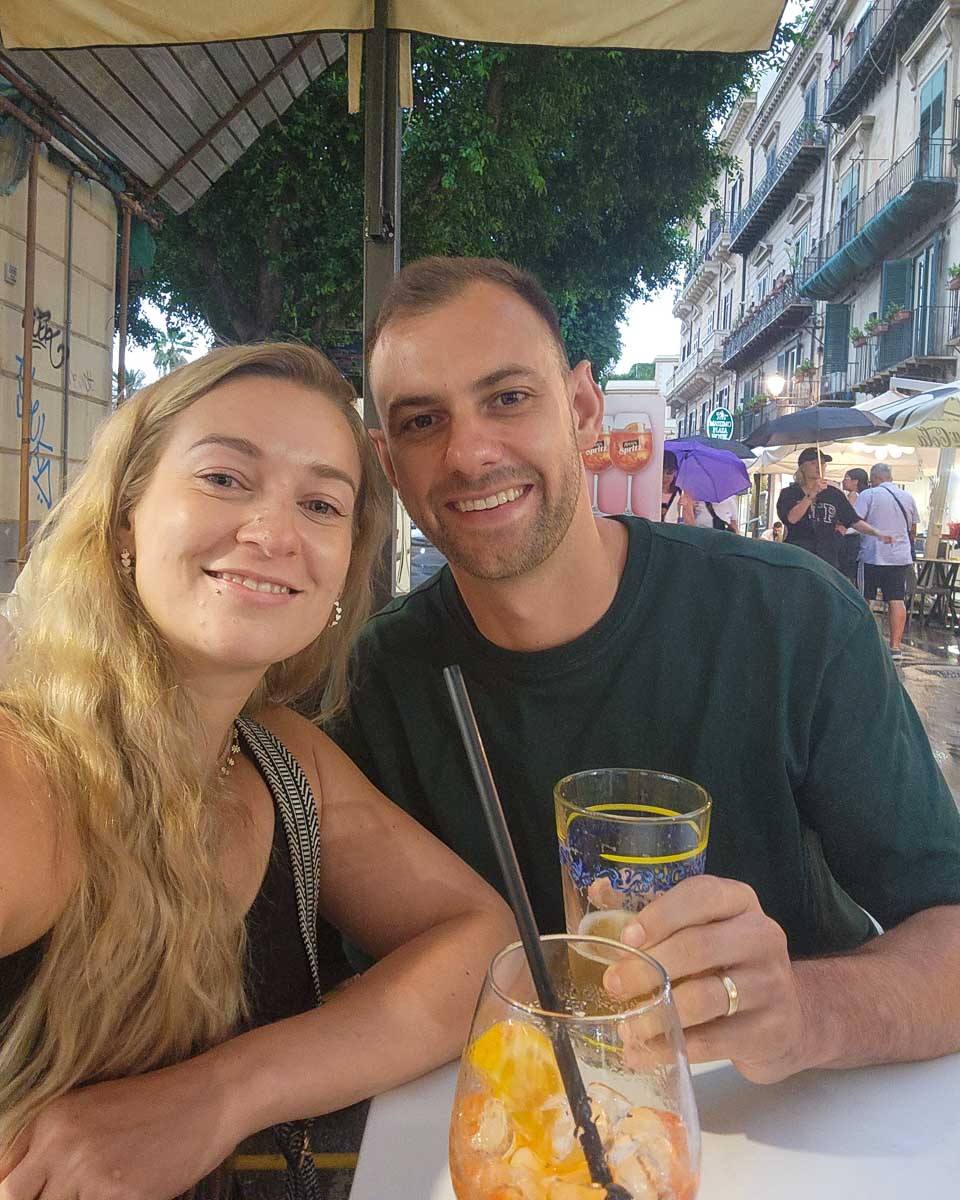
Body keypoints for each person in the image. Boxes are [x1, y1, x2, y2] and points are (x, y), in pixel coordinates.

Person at [331, 255, 960, 1088]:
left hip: (793, 1113)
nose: (469, 452)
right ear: (388, 463)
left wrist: (805, 1013)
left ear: (583, 408)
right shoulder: (378, 681)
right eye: (421, 422)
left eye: (508, 398)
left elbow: (947, 931)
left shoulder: (789, 617)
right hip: (522, 1122)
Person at [0, 343, 515, 1199]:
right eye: (224, 479)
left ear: (345, 569)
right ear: (125, 518)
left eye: (320, 504)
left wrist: (222, 1093)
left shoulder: (281, 758)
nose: (274, 533)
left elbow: (483, 942)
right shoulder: (27, 779)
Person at [776, 449, 892, 569]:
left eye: (822, 463)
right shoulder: (789, 493)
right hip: (799, 556)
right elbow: (791, 519)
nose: (819, 467)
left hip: (826, 558)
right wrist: (811, 495)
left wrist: (877, 533)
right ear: (802, 467)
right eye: (813, 463)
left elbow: (853, 520)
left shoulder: (833, 494)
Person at [855, 462, 920, 658]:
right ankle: (895, 647)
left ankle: (862, 642)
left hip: (872, 554)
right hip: (899, 557)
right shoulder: (907, 497)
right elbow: (913, 529)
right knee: (896, 599)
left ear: (875, 478)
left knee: (864, 598)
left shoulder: (868, 495)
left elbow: (856, 520)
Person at [836, 467, 869, 586]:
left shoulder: (854, 495)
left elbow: (845, 516)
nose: (843, 481)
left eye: (846, 478)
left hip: (849, 539)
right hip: (853, 538)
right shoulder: (863, 496)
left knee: (846, 573)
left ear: (855, 481)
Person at [660, 450, 682, 522]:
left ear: (675, 472)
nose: (664, 477)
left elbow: (690, 525)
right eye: (661, 472)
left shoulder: (681, 495)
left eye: (669, 472)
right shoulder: (646, 494)